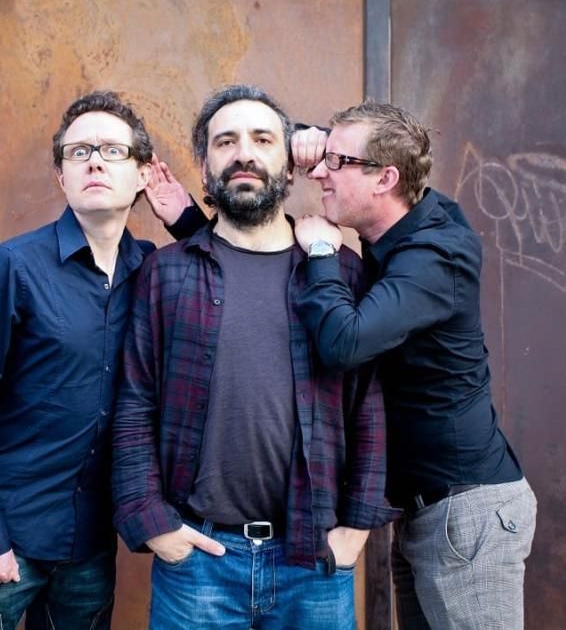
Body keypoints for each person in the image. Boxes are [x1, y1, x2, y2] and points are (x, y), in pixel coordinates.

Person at [111, 84, 399, 630]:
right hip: (198, 562)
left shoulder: (338, 270)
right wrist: (153, 523)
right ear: (205, 167)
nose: (244, 153)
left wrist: (355, 530)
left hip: (313, 560)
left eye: (263, 139)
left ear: (290, 166)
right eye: (226, 141)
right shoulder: (166, 273)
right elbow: (133, 405)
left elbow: (371, 406)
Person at [0, 90, 201, 629]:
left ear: (143, 174)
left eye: (112, 151)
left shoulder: (153, 270)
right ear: (61, 177)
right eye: (79, 152)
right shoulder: (13, 266)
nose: (95, 162)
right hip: (4, 537)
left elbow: (229, 280)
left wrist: (189, 223)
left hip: (90, 547)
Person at [290, 101, 537, 629]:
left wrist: (322, 253)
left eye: (336, 162)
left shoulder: (434, 257)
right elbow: (370, 152)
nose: (320, 174)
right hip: (430, 512)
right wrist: (301, 135)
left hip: (465, 515)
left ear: (386, 179)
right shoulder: (415, 216)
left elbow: (345, 342)